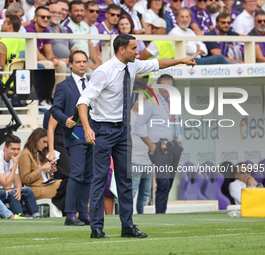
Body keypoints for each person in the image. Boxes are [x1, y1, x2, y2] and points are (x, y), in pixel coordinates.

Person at [76, 33, 198, 238]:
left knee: (125, 179)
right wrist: (87, 128)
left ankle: (127, 226)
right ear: (122, 49)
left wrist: (182, 60)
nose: (137, 52)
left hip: (123, 130)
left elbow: (157, 63)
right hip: (103, 130)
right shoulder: (103, 72)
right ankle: (96, 228)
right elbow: (83, 101)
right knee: (99, 179)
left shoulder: (133, 65)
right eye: (134, 48)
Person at [52, 50, 93, 226]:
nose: (82, 64)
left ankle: (83, 212)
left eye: (84, 61)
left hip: (93, 133)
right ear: (70, 64)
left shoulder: (92, 84)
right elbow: (55, 109)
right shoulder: (63, 86)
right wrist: (65, 120)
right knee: (76, 174)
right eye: (78, 62)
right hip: (75, 133)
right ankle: (70, 214)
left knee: (88, 175)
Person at [134, 74, 183, 213]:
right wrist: (150, 144)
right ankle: (160, 214)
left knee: (169, 182)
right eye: (163, 86)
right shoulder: (152, 102)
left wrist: (179, 142)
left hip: (174, 147)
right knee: (163, 182)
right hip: (159, 147)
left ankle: (163, 212)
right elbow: (138, 125)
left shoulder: (174, 102)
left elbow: (176, 123)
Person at [0, 135, 41, 218]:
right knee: (11, 193)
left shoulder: (12, 158)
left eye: (18, 149)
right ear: (5, 148)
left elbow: (17, 182)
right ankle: (20, 219)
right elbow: (6, 185)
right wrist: (16, 163)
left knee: (27, 191)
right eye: (13, 149)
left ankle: (36, 217)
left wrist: (19, 190)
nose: (16, 152)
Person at [25, 6, 67, 96]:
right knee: (50, 65)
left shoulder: (46, 30)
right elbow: (35, 55)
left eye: (48, 17)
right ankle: (45, 96)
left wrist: (54, 59)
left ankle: (55, 96)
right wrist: (51, 63)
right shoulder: (29, 29)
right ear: (35, 18)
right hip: (27, 60)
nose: (46, 19)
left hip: (38, 60)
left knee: (62, 65)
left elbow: (49, 54)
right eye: (43, 17)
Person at [18, 128, 62, 201]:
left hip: (44, 186)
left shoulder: (40, 154)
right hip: (35, 189)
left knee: (68, 185)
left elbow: (44, 178)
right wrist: (42, 168)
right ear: (36, 139)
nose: (45, 145)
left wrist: (50, 173)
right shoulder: (26, 154)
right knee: (65, 185)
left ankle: (74, 211)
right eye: (44, 142)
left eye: (47, 143)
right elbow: (25, 179)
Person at [63, 0, 100, 71]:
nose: (79, 13)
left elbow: (90, 45)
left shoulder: (85, 25)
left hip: (87, 61)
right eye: (76, 11)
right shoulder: (66, 26)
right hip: (75, 62)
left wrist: (97, 64)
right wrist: (88, 64)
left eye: (81, 10)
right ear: (70, 13)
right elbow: (69, 49)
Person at [131, 96, 153, 214]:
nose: (142, 102)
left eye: (144, 99)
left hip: (148, 160)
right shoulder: (129, 116)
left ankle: (141, 215)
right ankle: (128, 215)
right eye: (139, 99)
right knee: (132, 189)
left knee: (145, 192)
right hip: (134, 159)